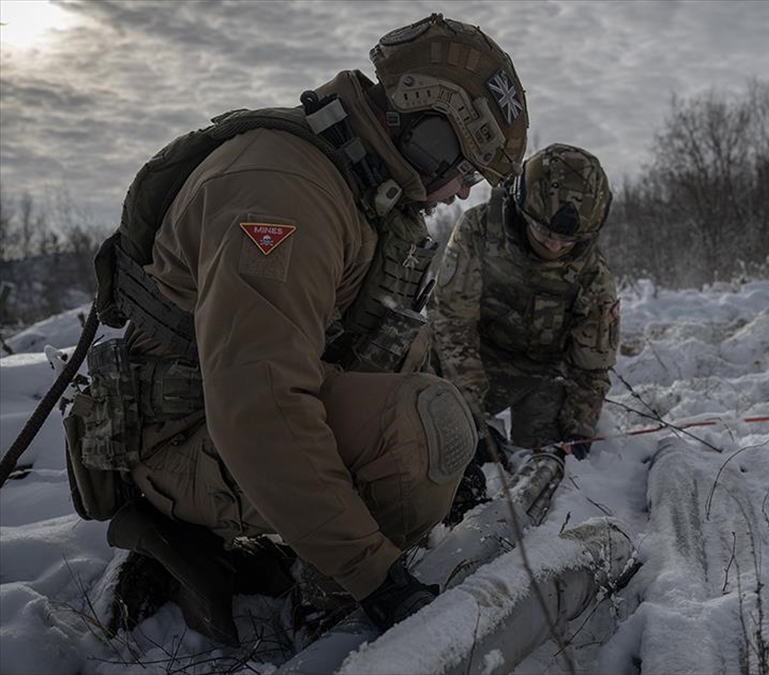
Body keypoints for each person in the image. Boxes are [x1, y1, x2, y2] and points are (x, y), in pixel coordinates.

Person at [70, 13, 529, 644]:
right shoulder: (284, 193)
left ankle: (306, 541)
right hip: (182, 439)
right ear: (430, 136)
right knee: (426, 428)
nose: (459, 193)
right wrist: (378, 578)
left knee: (442, 415)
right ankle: (313, 591)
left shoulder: (358, 187)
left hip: (224, 420)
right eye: (465, 172)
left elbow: (388, 340)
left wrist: (473, 441)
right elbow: (259, 403)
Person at [427, 144, 619, 483]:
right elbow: (452, 322)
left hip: (541, 374)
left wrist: (580, 428)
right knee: (443, 433)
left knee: (547, 466)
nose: (555, 246)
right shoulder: (479, 230)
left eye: (568, 240)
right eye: (545, 233)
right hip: (470, 359)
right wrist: (471, 415)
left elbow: (593, 366)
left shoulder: (594, 274)